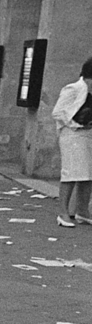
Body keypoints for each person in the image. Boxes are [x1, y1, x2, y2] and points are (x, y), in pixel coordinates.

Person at [51, 56, 92, 228]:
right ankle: (63, 212)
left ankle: (82, 210)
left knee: (88, 174)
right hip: (72, 134)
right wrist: (77, 123)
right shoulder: (73, 88)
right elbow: (58, 112)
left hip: (88, 133)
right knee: (71, 173)